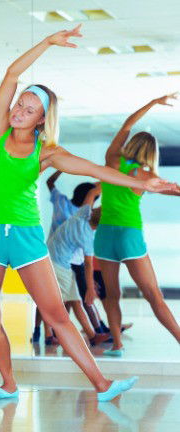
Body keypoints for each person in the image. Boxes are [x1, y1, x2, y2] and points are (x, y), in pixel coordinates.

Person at [0, 25, 177, 402]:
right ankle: (8, 385)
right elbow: (12, 75)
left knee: (56, 315)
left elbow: (95, 171)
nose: (19, 111)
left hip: (26, 234)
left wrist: (141, 184)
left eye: (30, 110)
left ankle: (102, 385)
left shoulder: (46, 152)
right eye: (20, 104)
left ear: (41, 120)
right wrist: (47, 43)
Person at [95, 93, 180, 356]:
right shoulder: (144, 174)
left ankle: (117, 345)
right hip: (129, 235)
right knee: (153, 295)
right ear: (151, 153)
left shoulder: (112, 159)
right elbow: (173, 190)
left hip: (104, 236)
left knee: (111, 294)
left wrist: (153, 103)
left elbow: (126, 125)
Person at [46, 184, 109, 346]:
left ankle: (91, 335)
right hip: (58, 262)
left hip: (55, 258)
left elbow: (93, 192)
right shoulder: (87, 237)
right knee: (66, 302)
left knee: (74, 300)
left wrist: (113, 179)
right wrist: (90, 288)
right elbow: (88, 265)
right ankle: (69, 335)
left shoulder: (83, 213)